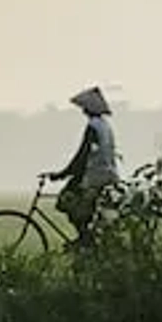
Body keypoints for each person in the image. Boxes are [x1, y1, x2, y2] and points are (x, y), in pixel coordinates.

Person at [48, 86, 118, 246]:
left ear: (89, 109)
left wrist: (62, 174)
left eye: (84, 108)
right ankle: (87, 239)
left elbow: (83, 156)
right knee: (85, 208)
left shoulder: (93, 127)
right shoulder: (104, 125)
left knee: (66, 200)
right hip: (107, 173)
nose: (83, 111)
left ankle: (85, 239)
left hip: (95, 176)